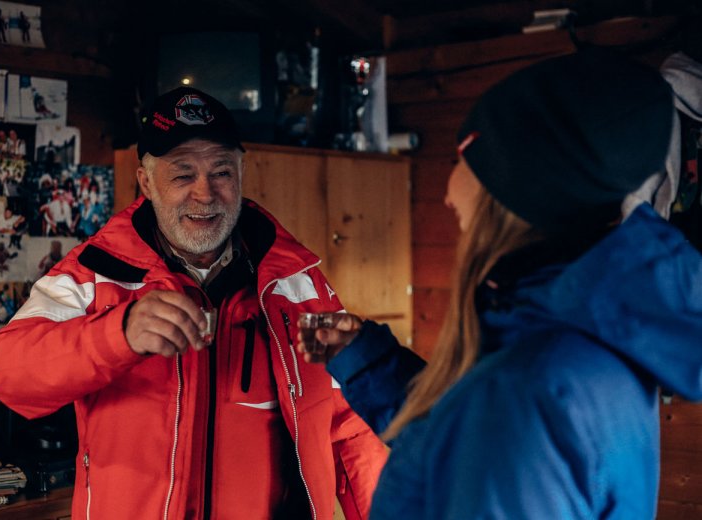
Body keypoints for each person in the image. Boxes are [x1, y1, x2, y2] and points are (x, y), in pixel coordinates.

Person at [296, 48, 702, 519]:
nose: (447, 193)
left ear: (516, 187)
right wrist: (367, 362)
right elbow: (465, 447)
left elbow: (501, 431)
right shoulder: (587, 332)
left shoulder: (531, 388)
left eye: (460, 158)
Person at [0, 85, 386, 519]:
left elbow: (354, 425)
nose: (205, 193)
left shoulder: (298, 284)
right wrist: (117, 335)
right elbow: (7, 373)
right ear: (146, 182)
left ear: (241, 174)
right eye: (182, 174)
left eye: (221, 172)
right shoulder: (95, 273)